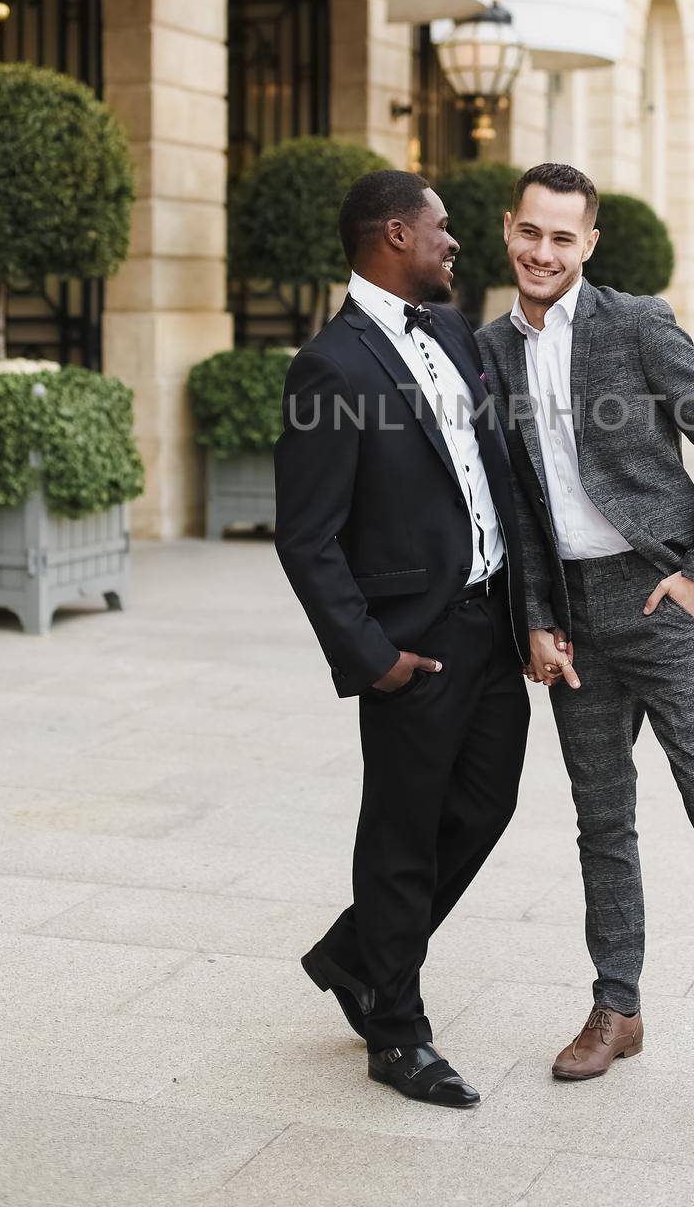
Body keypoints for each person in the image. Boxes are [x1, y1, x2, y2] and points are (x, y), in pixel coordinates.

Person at [477, 162, 694, 1110]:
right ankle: (615, 1007)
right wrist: (539, 618)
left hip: (658, 606)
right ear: (509, 232)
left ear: (589, 245)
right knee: (601, 823)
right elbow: (523, 505)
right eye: (529, 233)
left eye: (562, 238)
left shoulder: (635, 325)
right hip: (573, 625)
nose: (542, 253)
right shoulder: (492, 350)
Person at [273, 170, 532, 1109]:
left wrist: (533, 609)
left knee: (485, 806)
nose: (453, 241)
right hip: (410, 646)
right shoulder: (329, 367)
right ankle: (395, 1030)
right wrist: (370, 657)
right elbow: (304, 536)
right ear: (394, 235)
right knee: (402, 836)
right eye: (441, 229)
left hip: (491, 622)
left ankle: (354, 955)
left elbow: (493, 472)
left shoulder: (455, 331)